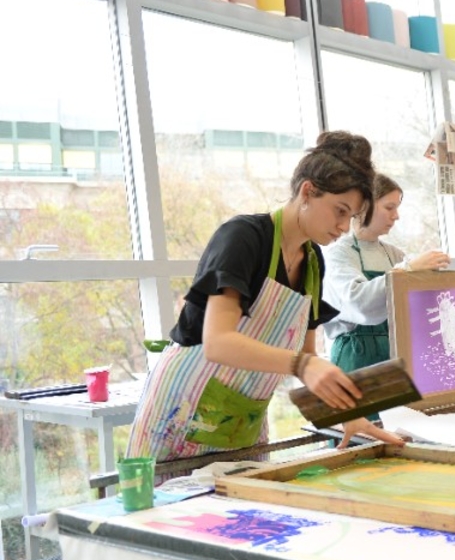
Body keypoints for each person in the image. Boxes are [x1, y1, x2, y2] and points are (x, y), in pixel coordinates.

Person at [126, 131, 405, 461]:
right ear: (307, 191)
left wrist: (347, 417)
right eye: (339, 211)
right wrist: (303, 364)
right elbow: (218, 343)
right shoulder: (243, 238)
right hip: (181, 413)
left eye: (351, 217)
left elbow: (306, 364)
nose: (344, 227)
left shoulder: (313, 262)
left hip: (242, 422)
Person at [323, 174, 450, 373]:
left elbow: (424, 306)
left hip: (396, 355)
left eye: (396, 208)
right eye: (389, 207)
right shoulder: (338, 254)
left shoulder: (394, 255)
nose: (396, 216)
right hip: (356, 358)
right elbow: (359, 303)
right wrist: (408, 270)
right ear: (364, 206)